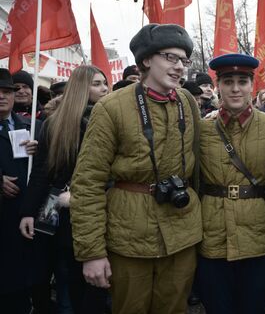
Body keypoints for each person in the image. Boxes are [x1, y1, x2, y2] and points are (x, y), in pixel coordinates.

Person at [70, 24, 202, 314]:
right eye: (170, 57)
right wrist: (91, 252)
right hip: (128, 237)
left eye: (183, 60)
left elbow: (199, 166)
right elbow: (87, 183)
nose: (179, 66)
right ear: (145, 60)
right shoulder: (111, 108)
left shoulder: (188, 102)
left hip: (182, 233)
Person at [196, 53, 265, 313]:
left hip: (258, 236)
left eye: (243, 81)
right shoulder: (202, 130)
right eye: (228, 81)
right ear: (218, 86)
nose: (235, 88)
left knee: (255, 306)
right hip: (213, 235)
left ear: (252, 86)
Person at [19, 65, 110, 314]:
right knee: (67, 277)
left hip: (99, 210)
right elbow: (41, 173)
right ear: (81, 88)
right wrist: (28, 213)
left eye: (105, 83)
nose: (104, 89)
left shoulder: (112, 121)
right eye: (97, 84)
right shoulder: (54, 124)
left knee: (96, 286)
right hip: (59, 213)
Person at [0, 68, 40, 313]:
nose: (2, 97)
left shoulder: (32, 127)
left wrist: (40, 149)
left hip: (22, 218)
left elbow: (44, 171)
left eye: (7, 92)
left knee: (19, 291)